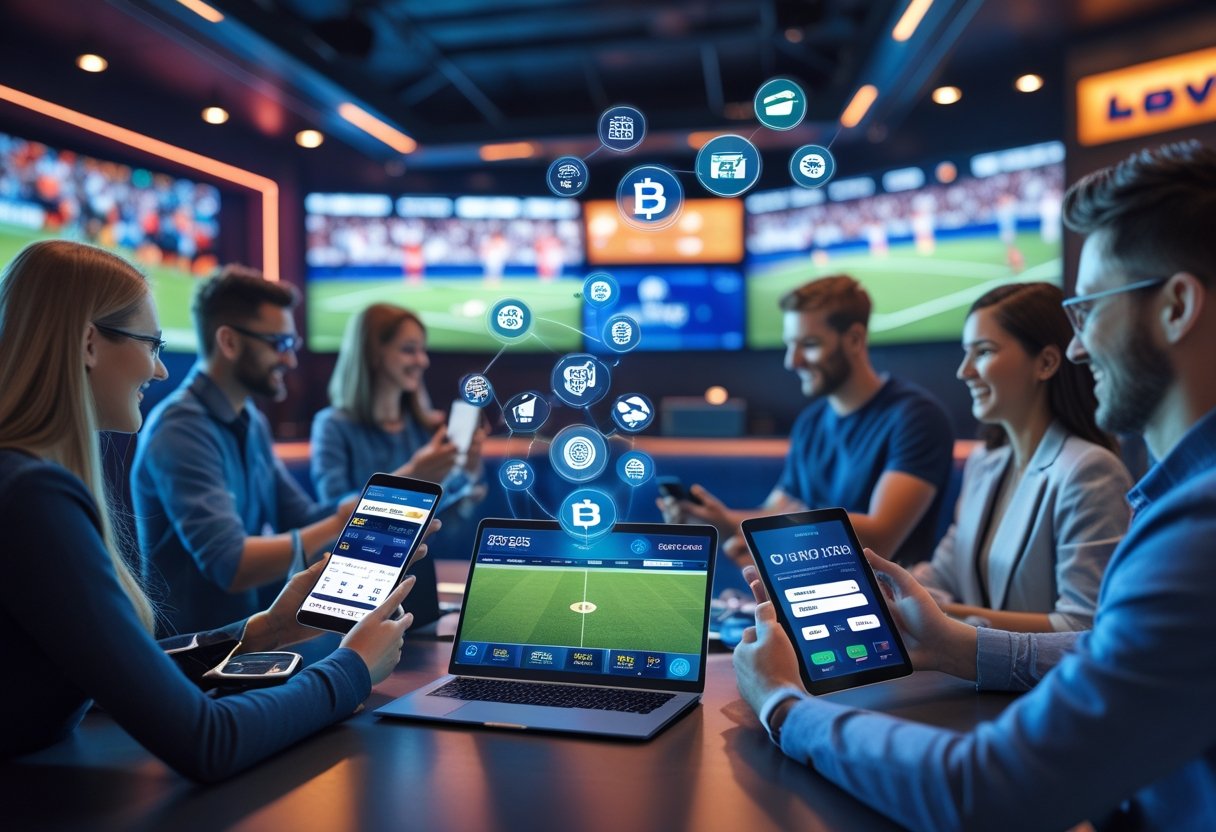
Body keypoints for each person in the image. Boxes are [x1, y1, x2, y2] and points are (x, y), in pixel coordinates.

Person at [733, 141, 1216, 830]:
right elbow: (1110, 645)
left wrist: (782, 703)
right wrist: (953, 643)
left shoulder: (1197, 530)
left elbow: (985, 790)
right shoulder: (1176, 505)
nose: (1080, 347)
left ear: (1175, 307)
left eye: (1092, 309)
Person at [0, 240, 423, 781]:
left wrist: (261, 632)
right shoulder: (33, 498)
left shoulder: (26, 484)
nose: (157, 370)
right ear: (87, 343)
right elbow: (208, 740)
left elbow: (106, 678)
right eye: (150, 344)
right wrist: (352, 670)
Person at [665, 275, 954, 566]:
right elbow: (772, 515)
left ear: (854, 339)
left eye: (810, 344)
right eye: (791, 345)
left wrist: (740, 523)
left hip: (888, 602)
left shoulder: (916, 417)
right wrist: (717, 522)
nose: (793, 361)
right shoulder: (811, 422)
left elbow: (880, 538)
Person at [133, 265, 355, 635]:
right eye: (280, 344)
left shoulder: (249, 417)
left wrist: (372, 514)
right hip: (191, 662)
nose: (291, 360)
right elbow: (231, 564)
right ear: (229, 342)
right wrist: (340, 523)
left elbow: (299, 517)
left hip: (245, 646)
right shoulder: (180, 428)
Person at [910, 282, 1131, 632]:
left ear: (1045, 363)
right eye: (966, 353)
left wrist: (949, 619)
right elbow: (943, 573)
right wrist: (889, 587)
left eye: (982, 352)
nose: (964, 371)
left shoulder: (1089, 470)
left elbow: (1084, 626)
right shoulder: (984, 461)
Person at [310, 302, 485, 508]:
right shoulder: (332, 426)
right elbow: (333, 517)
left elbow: (445, 514)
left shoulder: (426, 425)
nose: (423, 361)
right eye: (409, 350)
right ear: (373, 353)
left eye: (422, 350)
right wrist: (412, 476)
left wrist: (468, 471)